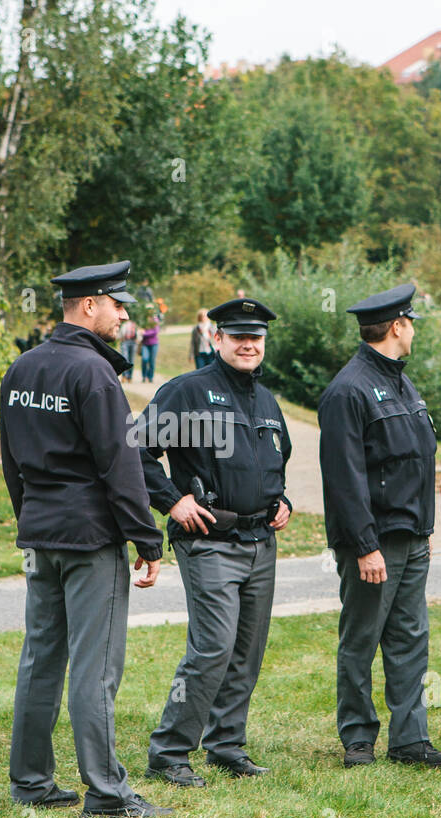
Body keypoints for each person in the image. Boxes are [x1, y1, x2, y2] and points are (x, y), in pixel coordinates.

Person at [0, 259, 172, 818]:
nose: (124, 314)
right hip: (90, 540)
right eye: (117, 304)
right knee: (96, 667)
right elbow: (120, 467)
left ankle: (30, 782)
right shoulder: (94, 374)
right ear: (88, 306)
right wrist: (147, 540)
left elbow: (12, 464)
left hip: (41, 535)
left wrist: (31, 520)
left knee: (40, 658)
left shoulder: (22, 368)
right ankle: (107, 793)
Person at [137, 298, 293, 786]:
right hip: (208, 540)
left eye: (257, 338)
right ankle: (169, 751)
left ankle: (226, 745)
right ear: (218, 339)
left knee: (247, 649)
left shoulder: (267, 401)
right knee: (212, 647)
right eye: (239, 336)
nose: (249, 345)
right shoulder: (187, 393)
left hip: (259, 541)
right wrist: (172, 501)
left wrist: (281, 499)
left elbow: (272, 463)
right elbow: (136, 453)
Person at [317, 283, 441, 770]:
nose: (413, 329)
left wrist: (426, 527)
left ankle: (410, 739)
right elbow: (343, 478)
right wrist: (364, 545)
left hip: (412, 538)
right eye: (411, 322)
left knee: (410, 638)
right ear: (397, 326)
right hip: (374, 544)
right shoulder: (348, 389)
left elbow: (414, 461)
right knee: (361, 639)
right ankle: (358, 738)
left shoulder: (401, 381)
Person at [139, 307, 161, 383]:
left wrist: (145, 333)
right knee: (144, 359)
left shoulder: (155, 320)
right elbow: (140, 329)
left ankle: (150, 377)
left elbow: (156, 331)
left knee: (152, 361)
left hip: (154, 344)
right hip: (145, 344)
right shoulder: (144, 321)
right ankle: (144, 376)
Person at [119, 312, 139, 382]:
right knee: (125, 358)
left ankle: (130, 377)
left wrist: (137, 340)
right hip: (125, 342)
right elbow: (121, 333)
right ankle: (124, 376)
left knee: (131, 360)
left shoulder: (134, 325)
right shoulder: (124, 325)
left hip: (133, 342)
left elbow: (138, 334)